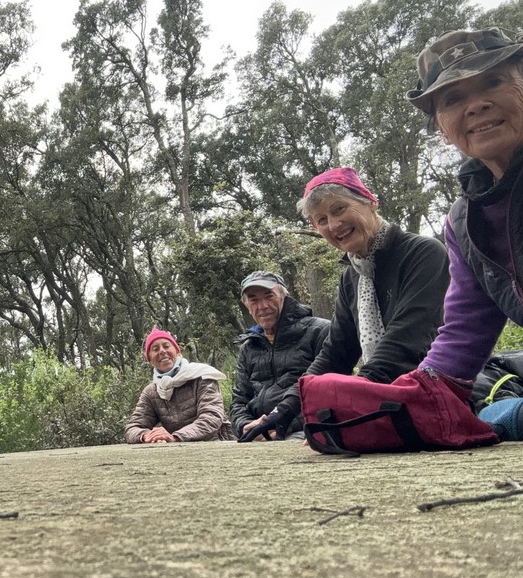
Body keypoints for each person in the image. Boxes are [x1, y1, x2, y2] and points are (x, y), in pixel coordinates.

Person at [239, 167, 449, 441]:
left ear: (370, 202)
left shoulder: (423, 253)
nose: (334, 225)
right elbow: (336, 353)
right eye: (321, 220)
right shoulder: (352, 277)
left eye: (339, 209)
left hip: (437, 392)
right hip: (390, 401)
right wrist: (286, 409)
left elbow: (405, 342)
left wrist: (354, 400)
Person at [408, 27, 523, 381]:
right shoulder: (465, 221)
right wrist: (414, 395)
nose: (476, 105)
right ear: (442, 129)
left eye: (493, 82)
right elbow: (465, 333)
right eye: (453, 100)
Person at [231, 270, 330, 440]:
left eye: (269, 296)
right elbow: (239, 401)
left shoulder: (319, 331)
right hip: (260, 434)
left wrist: (282, 425)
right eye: (254, 300)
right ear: (246, 305)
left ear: (286, 297)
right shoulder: (248, 347)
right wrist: (245, 425)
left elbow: (330, 390)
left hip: (307, 429)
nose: (262, 306)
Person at [125, 328, 235, 443]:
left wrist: (176, 437)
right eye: (155, 349)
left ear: (178, 351)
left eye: (166, 346)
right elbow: (132, 427)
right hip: (178, 448)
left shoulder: (202, 376)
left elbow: (211, 417)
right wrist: (147, 436)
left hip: (219, 444)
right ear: (150, 360)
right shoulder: (152, 392)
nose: (162, 351)